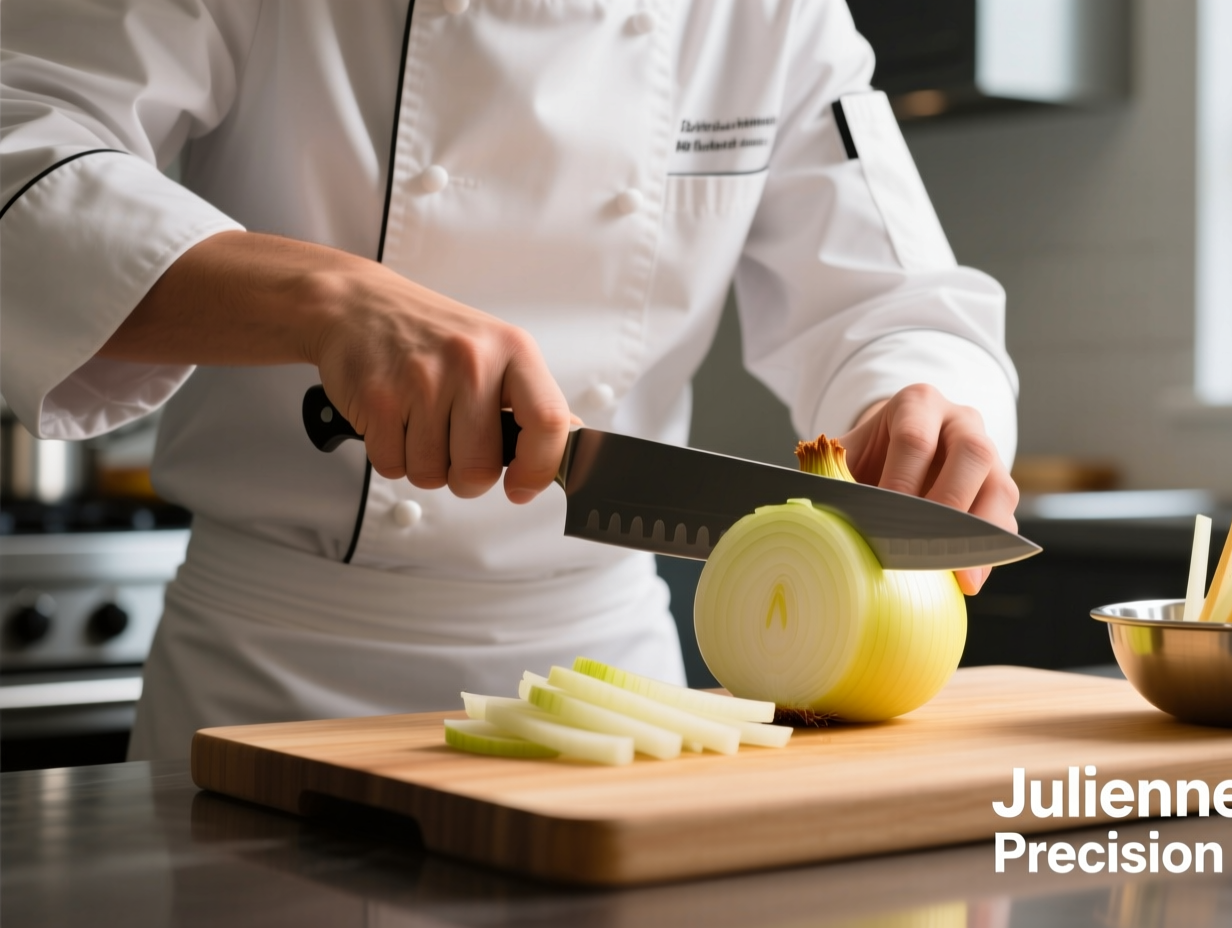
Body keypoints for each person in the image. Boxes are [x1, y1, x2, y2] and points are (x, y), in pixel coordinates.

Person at [0, 0, 1020, 761]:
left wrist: (919, 398)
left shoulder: (768, 13)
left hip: (612, 704)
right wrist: (325, 298)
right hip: (269, 685)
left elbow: (895, 296)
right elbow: (22, 147)